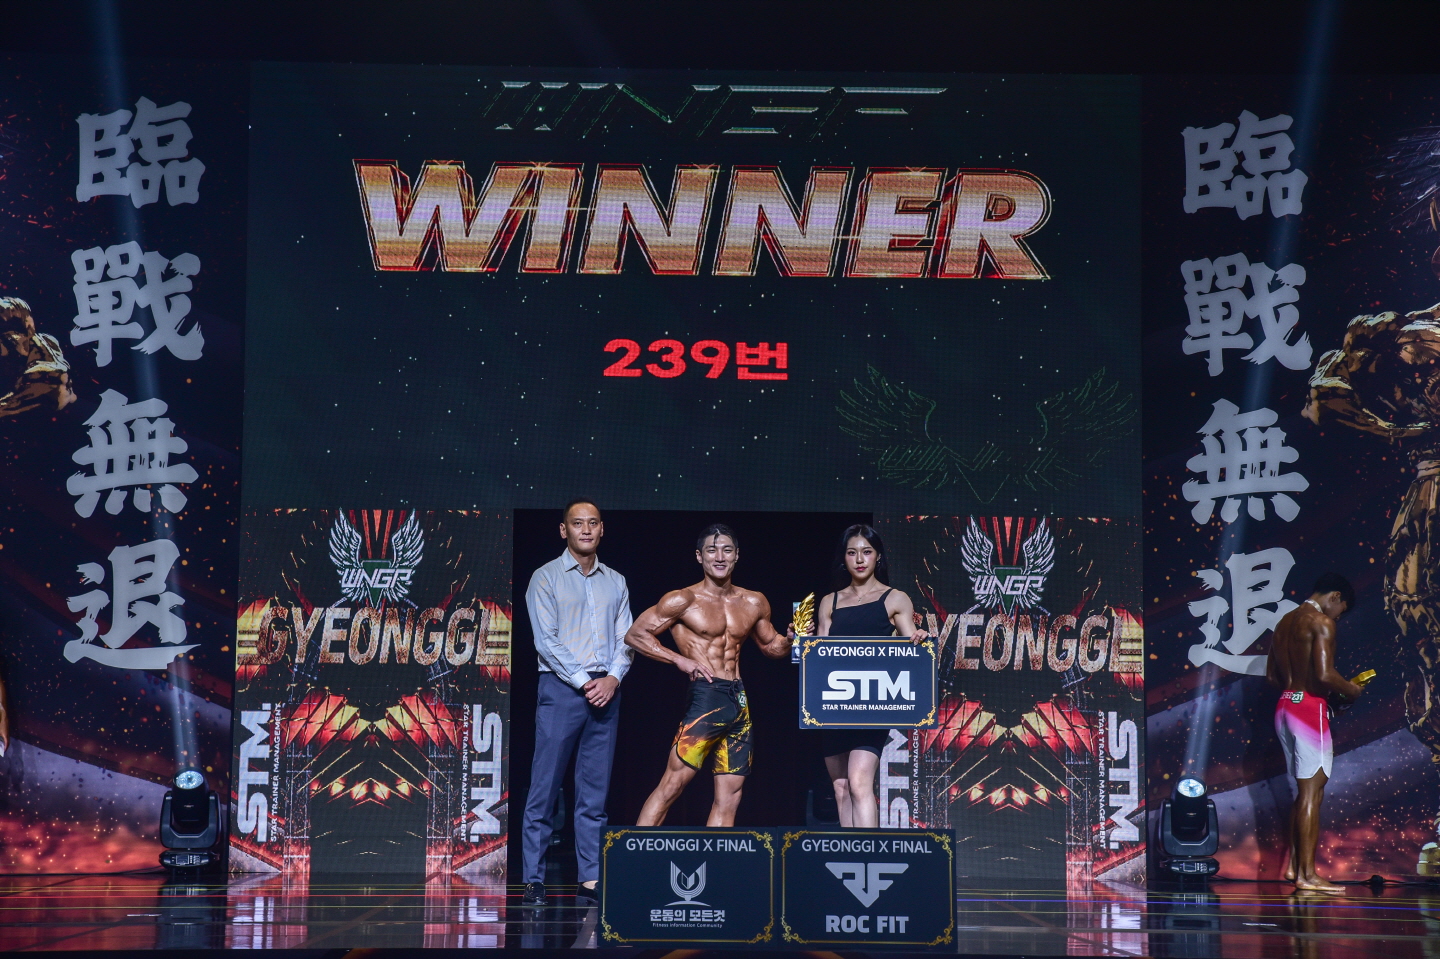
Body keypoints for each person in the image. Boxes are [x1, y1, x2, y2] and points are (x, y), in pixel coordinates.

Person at [626, 524, 791, 827]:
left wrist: (791, 639)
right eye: (712, 550)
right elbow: (635, 635)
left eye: (727, 550)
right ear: (699, 556)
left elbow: (771, 647)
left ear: (737, 555)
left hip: (739, 701)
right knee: (673, 784)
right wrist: (679, 660)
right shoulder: (682, 600)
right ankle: (635, 854)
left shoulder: (754, 601)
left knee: (730, 797)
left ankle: (715, 858)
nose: (720, 557)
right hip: (706, 697)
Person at [521, 499, 633, 907]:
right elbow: (546, 641)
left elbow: (628, 638)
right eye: (577, 523)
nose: (586, 530)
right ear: (563, 530)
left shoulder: (616, 581)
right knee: (545, 787)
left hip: (607, 690)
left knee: (594, 794)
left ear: (602, 529)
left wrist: (613, 678)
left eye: (593, 523)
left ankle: (590, 878)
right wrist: (588, 683)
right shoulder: (545, 577)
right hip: (562, 689)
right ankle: (533, 878)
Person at [815, 524, 929, 828]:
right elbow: (818, 654)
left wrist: (918, 638)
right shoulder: (829, 602)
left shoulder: (895, 599)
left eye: (866, 552)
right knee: (841, 788)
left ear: (878, 556)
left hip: (871, 705)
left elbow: (910, 647)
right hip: (835, 706)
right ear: (844, 558)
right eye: (852, 552)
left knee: (858, 782)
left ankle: (869, 851)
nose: (859, 559)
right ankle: (850, 853)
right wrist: (800, 642)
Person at [1266, 572, 1368, 893]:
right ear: (1335, 597)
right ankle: (1307, 876)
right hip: (1308, 711)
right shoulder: (1321, 622)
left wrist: (1297, 691)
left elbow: (1271, 676)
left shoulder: (1283, 623)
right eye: (1341, 611)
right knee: (1313, 791)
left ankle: (1294, 866)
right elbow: (1325, 674)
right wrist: (1351, 689)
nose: (1338, 617)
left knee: (1305, 790)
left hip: (1285, 706)